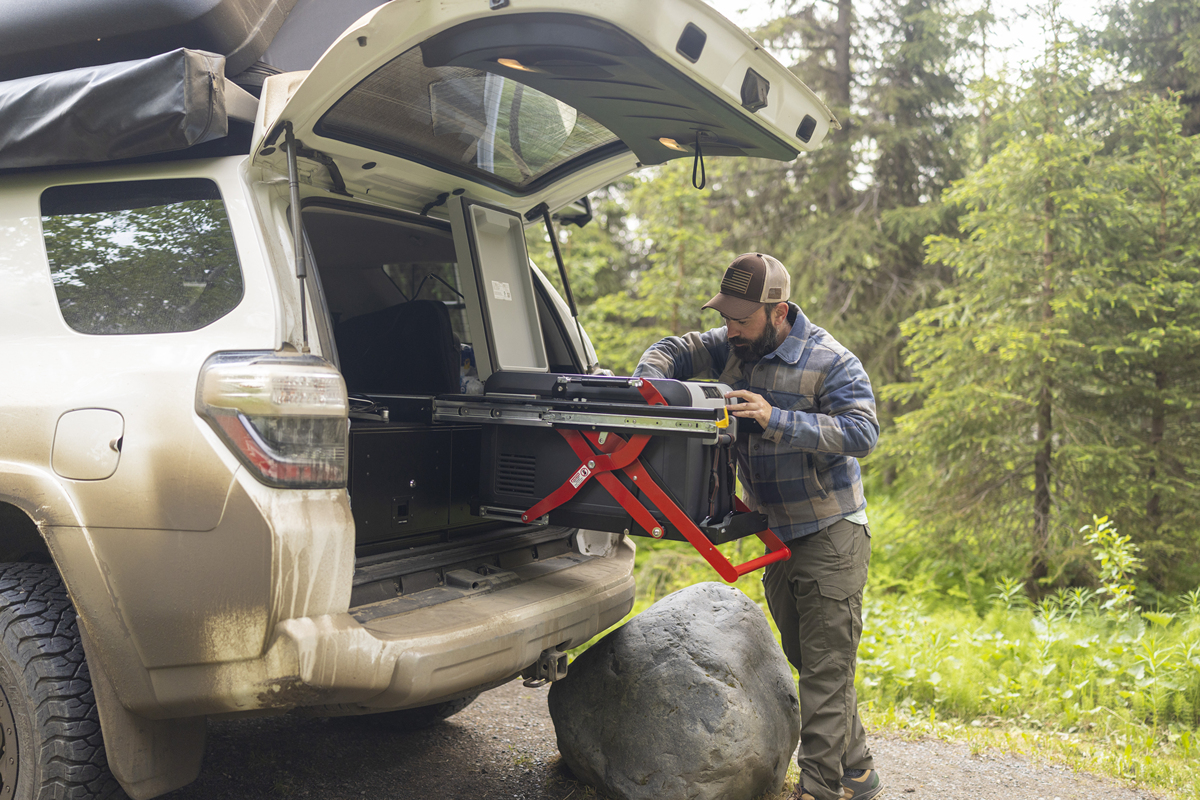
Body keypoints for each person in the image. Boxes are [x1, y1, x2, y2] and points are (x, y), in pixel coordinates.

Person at [633, 253, 882, 800]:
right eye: (726, 318)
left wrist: (776, 419)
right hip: (775, 532)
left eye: (742, 320)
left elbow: (863, 433)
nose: (730, 330)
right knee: (814, 662)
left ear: (778, 312)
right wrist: (647, 381)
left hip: (829, 532)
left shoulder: (830, 361)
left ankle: (819, 789)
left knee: (822, 669)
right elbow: (676, 349)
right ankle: (858, 770)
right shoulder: (734, 344)